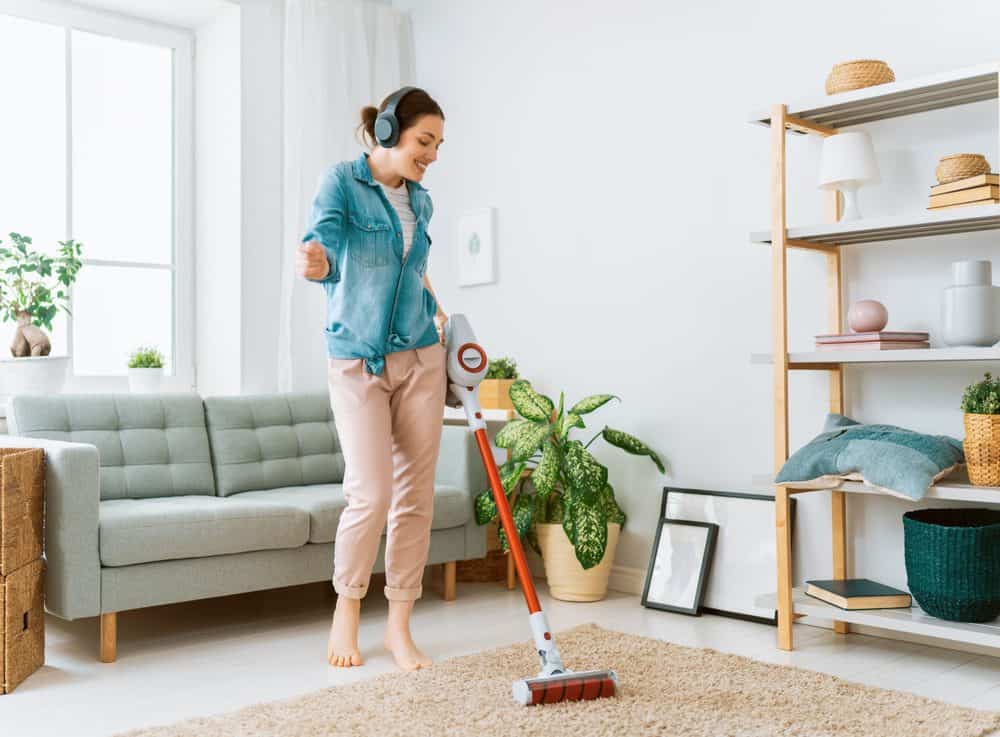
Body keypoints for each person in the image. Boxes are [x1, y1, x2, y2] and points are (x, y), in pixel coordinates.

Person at [295, 87, 448, 671]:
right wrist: (319, 261)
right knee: (372, 493)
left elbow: (418, 273)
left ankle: (400, 628)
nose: (431, 154)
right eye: (423, 141)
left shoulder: (423, 202)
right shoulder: (341, 182)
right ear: (389, 132)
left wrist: (445, 320)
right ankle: (348, 609)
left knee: (415, 497)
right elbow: (326, 242)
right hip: (357, 360)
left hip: (421, 357)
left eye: (437, 145)